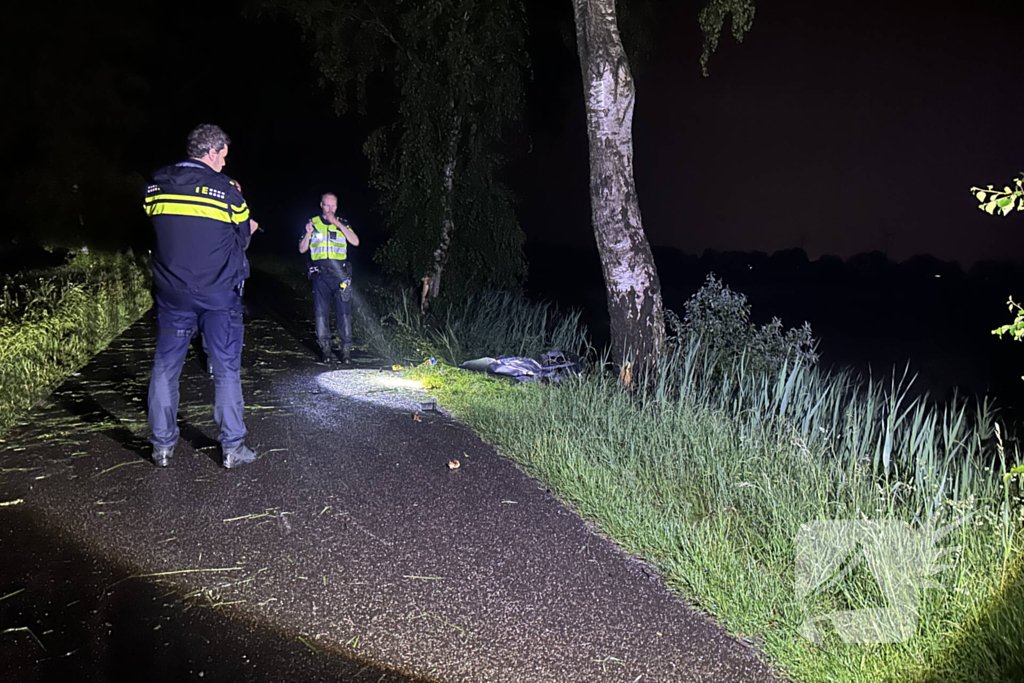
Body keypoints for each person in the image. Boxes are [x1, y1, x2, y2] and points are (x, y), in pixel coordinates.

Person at [143, 124, 260, 469]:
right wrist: (249, 230)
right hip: (218, 295)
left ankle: (162, 447)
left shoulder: (156, 185)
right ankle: (232, 448)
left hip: (173, 294)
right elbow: (241, 237)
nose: (225, 161)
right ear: (211, 152)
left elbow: (160, 225)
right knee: (225, 368)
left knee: (165, 368)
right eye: (223, 154)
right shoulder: (227, 192)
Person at [298, 193, 360, 364]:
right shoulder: (312, 223)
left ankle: (346, 351)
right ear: (321, 205)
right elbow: (302, 249)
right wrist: (308, 233)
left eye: (333, 206)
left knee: (344, 314)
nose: (330, 209)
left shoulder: (343, 223)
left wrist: (337, 224)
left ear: (337, 207)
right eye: (327, 205)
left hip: (341, 276)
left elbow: (355, 241)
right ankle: (326, 350)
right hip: (320, 276)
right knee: (321, 315)